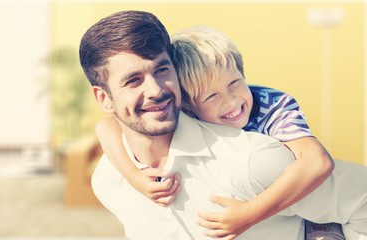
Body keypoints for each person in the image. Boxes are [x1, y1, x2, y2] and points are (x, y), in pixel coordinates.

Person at [79, 10, 367, 240]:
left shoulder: (253, 158)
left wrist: (252, 213)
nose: (155, 89)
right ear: (104, 98)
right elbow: (107, 127)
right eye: (133, 80)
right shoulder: (109, 181)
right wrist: (130, 174)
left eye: (162, 69)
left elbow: (358, 195)